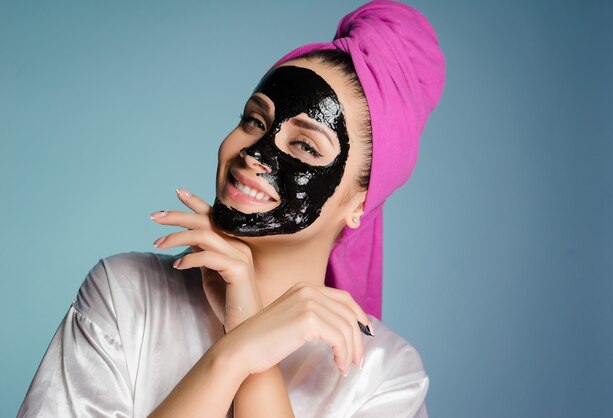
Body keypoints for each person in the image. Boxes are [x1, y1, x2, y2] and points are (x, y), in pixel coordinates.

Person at [18, 1, 445, 417]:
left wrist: (250, 332)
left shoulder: (383, 372)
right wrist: (235, 353)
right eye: (255, 121)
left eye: (304, 145)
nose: (255, 154)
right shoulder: (125, 292)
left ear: (360, 203)